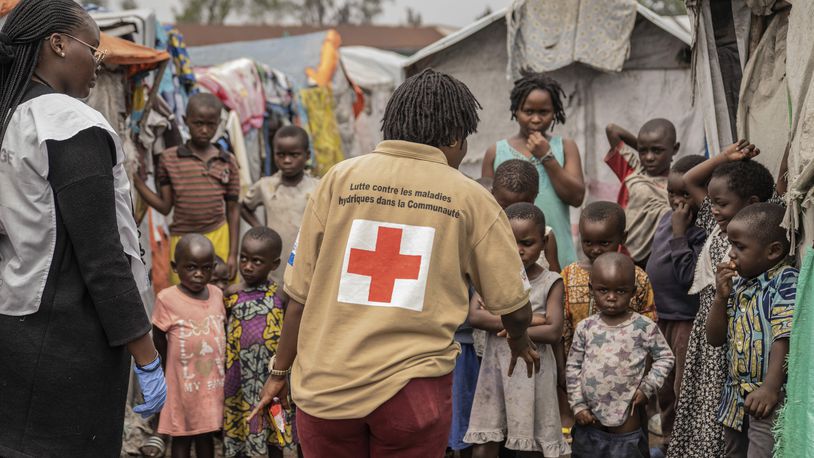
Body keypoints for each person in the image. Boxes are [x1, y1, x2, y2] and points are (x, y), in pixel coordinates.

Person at [250, 68, 540, 457]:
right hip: (413, 394)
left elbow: (297, 299)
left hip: (325, 392)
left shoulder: (338, 179)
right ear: (455, 136)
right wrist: (519, 340)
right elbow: (515, 307)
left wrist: (280, 372)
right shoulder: (470, 198)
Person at [0, 1, 166, 455]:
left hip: (14, 330)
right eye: (93, 52)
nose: (100, 64)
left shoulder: (10, 120)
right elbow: (102, 257)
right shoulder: (69, 122)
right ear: (56, 44)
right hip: (69, 343)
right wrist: (146, 355)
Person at [667, 142, 776, 458]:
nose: (714, 208)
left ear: (751, 203)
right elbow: (689, 180)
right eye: (711, 202)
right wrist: (725, 158)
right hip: (709, 328)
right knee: (702, 402)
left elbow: (780, 189)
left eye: (722, 203)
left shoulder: (759, 233)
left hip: (734, 337)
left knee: (721, 410)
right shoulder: (716, 225)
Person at [465, 203, 570, 457]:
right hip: (495, 370)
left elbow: (554, 331)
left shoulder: (551, 282)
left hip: (533, 371)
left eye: (527, 242)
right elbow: (474, 316)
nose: (518, 250)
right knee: (485, 442)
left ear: (544, 242)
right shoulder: (493, 275)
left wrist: (501, 319)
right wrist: (527, 321)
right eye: (511, 242)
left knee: (530, 444)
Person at [705, 203, 797, 458]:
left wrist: (770, 388)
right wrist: (720, 299)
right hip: (734, 398)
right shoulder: (740, 285)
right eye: (731, 245)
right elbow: (714, 339)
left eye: (739, 246)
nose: (731, 254)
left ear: (773, 251)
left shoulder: (784, 281)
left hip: (767, 397)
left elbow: (784, 337)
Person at [566, 253, 674, 458]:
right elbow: (573, 367)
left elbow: (666, 357)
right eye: (603, 290)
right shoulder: (585, 328)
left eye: (621, 291)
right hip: (589, 424)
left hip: (626, 427)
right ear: (591, 290)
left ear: (633, 292)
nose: (612, 297)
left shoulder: (644, 326)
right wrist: (577, 405)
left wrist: (648, 387)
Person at [133, 93, 241, 284]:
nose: (205, 130)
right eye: (198, 124)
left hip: (219, 237)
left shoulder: (227, 161)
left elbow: (233, 210)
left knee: (220, 298)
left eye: (211, 125)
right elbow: (165, 206)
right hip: (182, 240)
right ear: (185, 121)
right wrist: (136, 180)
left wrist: (233, 254)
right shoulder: (169, 158)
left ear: (219, 124)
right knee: (184, 300)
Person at [482, 72, 584, 268]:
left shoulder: (566, 147)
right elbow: (485, 208)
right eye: (528, 111)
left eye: (544, 112)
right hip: (509, 255)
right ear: (515, 111)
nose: (536, 119)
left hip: (559, 254)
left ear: (555, 112)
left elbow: (577, 197)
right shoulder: (496, 152)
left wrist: (547, 157)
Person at [644, 154, 707, 449]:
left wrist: (681, 232)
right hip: (661, 317)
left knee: (683, 386)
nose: (678, 201)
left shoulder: (702, 229)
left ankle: (684, 443)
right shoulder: (666, 218)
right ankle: (669, 439)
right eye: (672, 192)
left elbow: (688, 278)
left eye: (686, 193)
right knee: (664, 386)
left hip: (686, 319)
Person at [223, 227, 295, 457]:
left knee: (275, 428)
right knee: (242, 426)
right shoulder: (231, 294)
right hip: (240, 376)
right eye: (243, 258)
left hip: (270, 376)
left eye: (256, 261)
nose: (247, 266)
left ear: (274, 264)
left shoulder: (281, 295)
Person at [152, 235, 226, 458]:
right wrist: (166, 371)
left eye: (205, 268)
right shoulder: (167, 298)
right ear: (176, 267)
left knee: (205, 436)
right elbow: (158, 338)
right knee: (181, 437)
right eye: (191, 267)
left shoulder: (217, 294)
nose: (198, 274)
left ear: (213, 269)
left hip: (210, 385)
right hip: (182, 385)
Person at [561, 201, 657, 356]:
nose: (595, 249)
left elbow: (648, 323)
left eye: (604, 243)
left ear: (623, 238)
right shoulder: (568, 275)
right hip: (579, 364)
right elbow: (563, 327)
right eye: (588, 242)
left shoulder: (637, 276)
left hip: (625, 363)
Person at [241, 125, 320, 284]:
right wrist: (260, 227)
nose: (287, 160)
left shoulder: (316, 187)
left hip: (305, 254)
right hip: (275, 257)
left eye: (294, 155)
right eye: (280, 155)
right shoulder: (266, 186)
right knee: (276, 293)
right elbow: (244, 206)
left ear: (307, 155)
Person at [605, 120, 680, 267]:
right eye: (643, 151)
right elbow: (612, 129)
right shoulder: (633, 169)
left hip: (659, 261)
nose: (649, 157)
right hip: (625, 259)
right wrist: (643, 146)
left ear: (675, 148)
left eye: (657, 150)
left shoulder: (679, 185)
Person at [493, 159, 560, 272]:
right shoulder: (485, 232)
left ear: (534, 197)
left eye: (522, 206)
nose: (512, 215)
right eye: (505, 208)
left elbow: (556, 277)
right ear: (492, 194)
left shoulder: (545, 235)